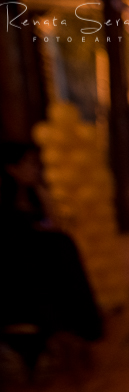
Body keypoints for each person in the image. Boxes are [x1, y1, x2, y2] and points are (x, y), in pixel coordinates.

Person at [0, 141, 102, 375]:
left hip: (39, 272)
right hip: (18, 279)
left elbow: (54, 224)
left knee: (62, 246)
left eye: (38, 164)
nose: (36, 169)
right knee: (54, 253)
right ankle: (64, 329)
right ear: (11, 168)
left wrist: (41, 191)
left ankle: (75, 328)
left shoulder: (34, 199)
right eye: (30, 163)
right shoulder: (5, 208)